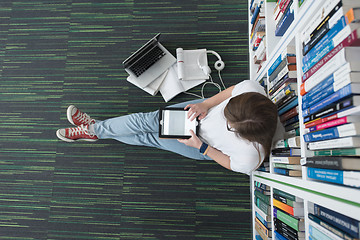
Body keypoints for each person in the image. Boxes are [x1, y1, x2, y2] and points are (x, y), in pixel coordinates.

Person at [56, 80, 278, 175]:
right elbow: (230, 91)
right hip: (199, 112)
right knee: (145, 121)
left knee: (148, 138)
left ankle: (94, 129)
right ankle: (95, 130)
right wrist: (206, 104)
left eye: (229, 125)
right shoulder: (252, 90)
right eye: (227, 111)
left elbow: (230, 163)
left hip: (201, 145)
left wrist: (201, 147)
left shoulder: (252, 157)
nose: (225, 119)